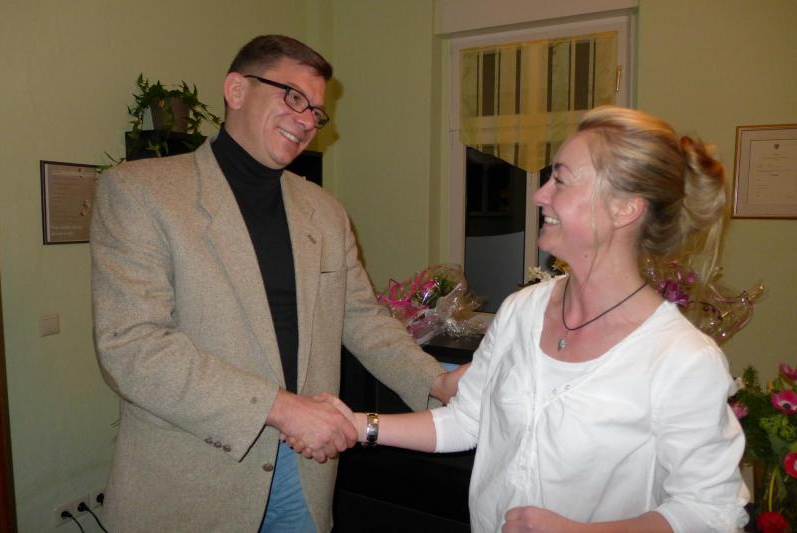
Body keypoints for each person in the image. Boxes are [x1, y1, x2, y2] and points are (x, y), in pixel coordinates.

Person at [90, 34, 463, 533]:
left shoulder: (325, 212)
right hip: (195, 473)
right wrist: (280, 408)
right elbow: (132, 348)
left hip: (303, 473)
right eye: (293, 97)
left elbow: (362, 317)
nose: (307, 120)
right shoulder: (141, 192)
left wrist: (435, 381)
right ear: (236, 90)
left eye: (316, 111)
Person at [326, 106, 750, 532]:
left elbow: (709, 511)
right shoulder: (522, 310)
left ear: (624, 208)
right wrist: (357, 425)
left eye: (560, 180)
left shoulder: (682, 359)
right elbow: (467, 420)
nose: (539, 195)